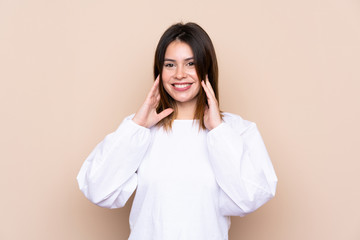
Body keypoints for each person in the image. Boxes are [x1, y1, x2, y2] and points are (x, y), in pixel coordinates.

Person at [77, 22, 277, 240]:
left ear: (206, 68)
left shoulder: (235, 130)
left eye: (190, 63)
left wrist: (218, 131)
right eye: (170, 65)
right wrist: (137, 126)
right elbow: (97, 189)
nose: (179, 74)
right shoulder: (139, 130)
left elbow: (250, 197)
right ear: (159, 71)